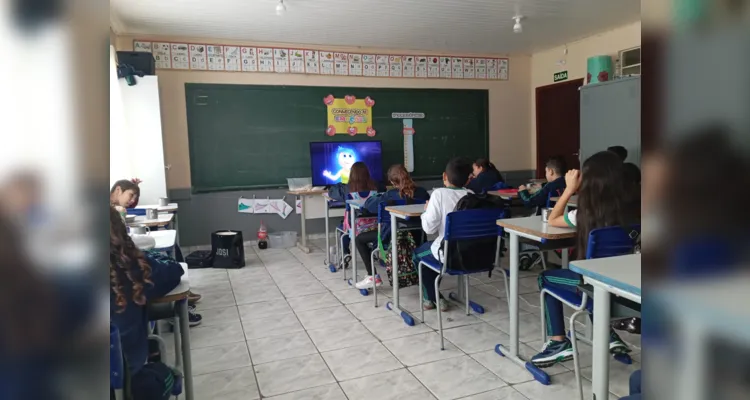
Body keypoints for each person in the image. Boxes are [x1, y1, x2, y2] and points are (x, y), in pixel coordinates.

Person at [531, 151, 640, 367]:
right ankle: (607, 335)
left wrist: (569, 189)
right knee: (598, 280)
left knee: (546, 278)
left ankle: (558, 342)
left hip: (592, 287)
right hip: (624, 289)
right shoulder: (636, 211)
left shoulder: (584, 214)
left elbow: (552, 219)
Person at [109, 205, 183, 400]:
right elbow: (174, 270)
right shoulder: (131, 270)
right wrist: (138, 255)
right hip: (129, 385)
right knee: (168, 375)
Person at [353, 165, 430, 289]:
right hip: (418, 239)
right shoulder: (422, 193)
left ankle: (371, 276)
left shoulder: (390, 195)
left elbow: (369, 205)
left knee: (359, 239)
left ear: (393, 182)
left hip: (393, 239)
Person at [413, 157, 473, 311]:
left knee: (418, 255)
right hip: (472, 254)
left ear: (444, 176)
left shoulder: (438, 194)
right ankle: (434, 296)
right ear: (468, 180)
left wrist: (426, 211)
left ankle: (431, 297)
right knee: (430, 254)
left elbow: (428, 229)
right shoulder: (472, 195)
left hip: (448, 253)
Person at [329, 162, 380, 262]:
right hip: (374, 225)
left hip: (355, 226)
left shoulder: (347, 189)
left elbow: (332, 192)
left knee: (342, 228)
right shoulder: (376, 186)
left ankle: (345, 253)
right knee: (375, 230)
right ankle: (373, 250)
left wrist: (340, 184)